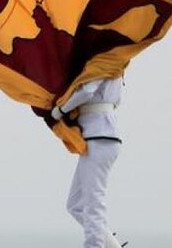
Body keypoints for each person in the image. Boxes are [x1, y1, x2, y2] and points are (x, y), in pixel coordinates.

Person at [51, 76, 127, 248]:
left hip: (99, 136)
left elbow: (87, 90)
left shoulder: (104, 64)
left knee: (93, 203)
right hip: (98, 137)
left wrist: (60, 110)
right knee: (75, 204)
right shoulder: (113, 65)